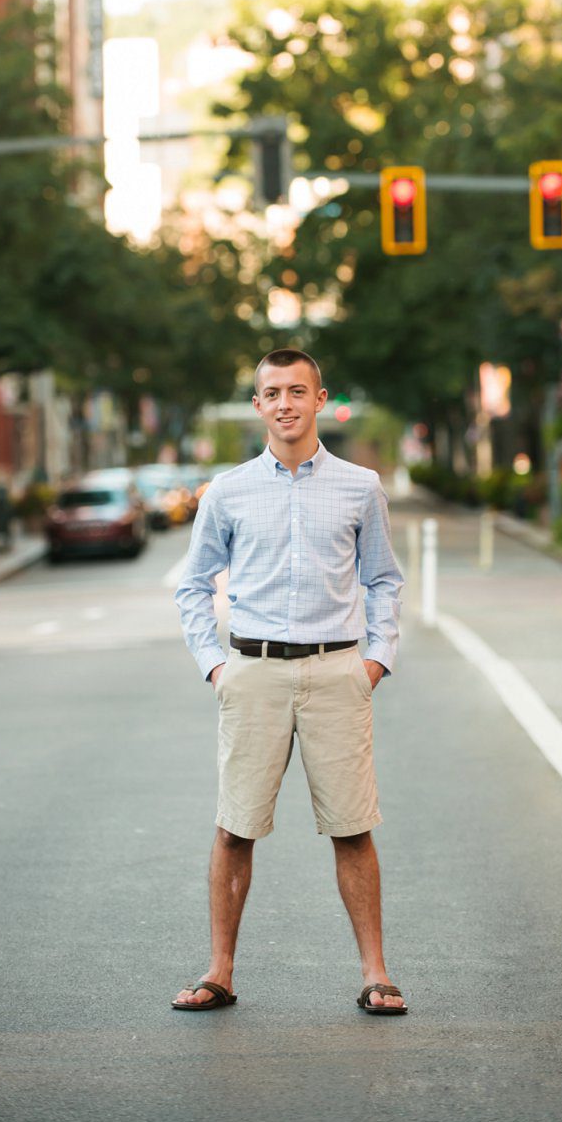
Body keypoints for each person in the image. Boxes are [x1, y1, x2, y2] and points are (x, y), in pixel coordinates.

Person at [172, 343, 408, 1018]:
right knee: (233, 828)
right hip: (252, 671)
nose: (285, 404)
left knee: (353, 828)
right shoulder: (229, 491)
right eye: (272, 393)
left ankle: (376, 973)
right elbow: (193, 586)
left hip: (338, 671)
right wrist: (215, 665)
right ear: (257, 405)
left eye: (297, 392)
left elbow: (383, 579)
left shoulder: (360, 486)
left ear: (319, 400)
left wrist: (376, 659)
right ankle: (220, 971)